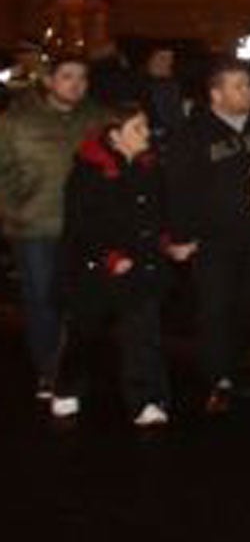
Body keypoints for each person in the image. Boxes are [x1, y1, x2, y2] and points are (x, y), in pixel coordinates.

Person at [163, 58, 250, 412]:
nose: (249, 91)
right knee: (216, 309)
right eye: (239, 85)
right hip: (214, 240)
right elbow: (179, 188)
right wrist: (180, 235)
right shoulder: (193, 133)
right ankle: (218, 378)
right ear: (216, 93)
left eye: (249, 84)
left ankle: (233, 366)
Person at [52, 104, 180, 425]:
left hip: (141, 265)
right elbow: (81, 224)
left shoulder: (149, 167)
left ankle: (147, 400)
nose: (147, 134)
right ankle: (67, 387)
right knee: (85, 332)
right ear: (115, 136)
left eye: (146, 126)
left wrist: (168, 242)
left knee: (143, 333)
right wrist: (109, 256)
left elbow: (159, 212)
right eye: (138, 128)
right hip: (96, 269)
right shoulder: (88, 173)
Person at [0, 52, 106, 404]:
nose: (76, 85)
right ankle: (49, 369)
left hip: (81, 226)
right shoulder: (18, 120)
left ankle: (71, 366)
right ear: (49, 81)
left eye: (82, 78)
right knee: (42, 299)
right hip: (36, 225)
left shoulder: (93, 117)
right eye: (68, 77)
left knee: (78, 301)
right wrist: (13, 209)